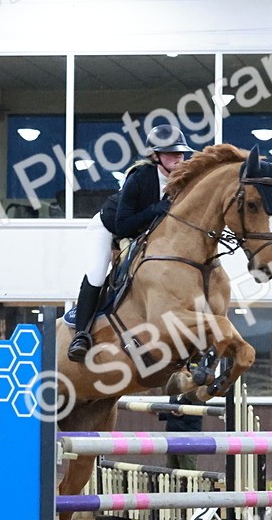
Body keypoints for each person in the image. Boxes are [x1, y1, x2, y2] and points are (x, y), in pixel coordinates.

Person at [67, 124, 193, 362]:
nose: (178, 159)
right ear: (155, 156)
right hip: (109, 227)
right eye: (171, 154)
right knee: (96, 274)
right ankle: (81, 335)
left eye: (180, 154)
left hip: (143, 233)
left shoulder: (185, 181)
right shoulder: (139, 178)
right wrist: (155, 209)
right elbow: (123, 225)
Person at [158, 395, 203, 472]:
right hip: (172, 436)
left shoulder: (195, 393)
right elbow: (172, 413)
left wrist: (181, 414)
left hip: (188, 437)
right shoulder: (174, 394)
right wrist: (160, 413)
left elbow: (197, 415)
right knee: (171, 469)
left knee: (187, 469)